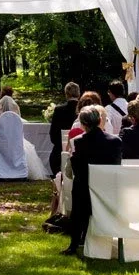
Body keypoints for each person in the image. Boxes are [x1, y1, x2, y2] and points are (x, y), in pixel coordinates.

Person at [62, 107, 121, 256]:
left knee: (78, 188)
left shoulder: (79, 142)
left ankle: (74, 243)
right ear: (100, 121)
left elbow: (74, 170)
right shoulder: (115, 141)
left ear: (82, 124)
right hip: (108, 189)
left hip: (83, 190)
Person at [48, 82, 79, 176]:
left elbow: (53, 134)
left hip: (59, 153)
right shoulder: (82, 109)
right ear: (79, 94)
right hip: (80, 151)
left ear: (66, 94)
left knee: (53, 159)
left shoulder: (59, 110)